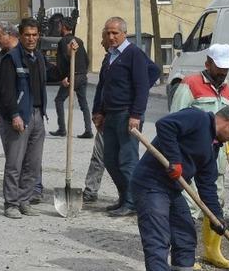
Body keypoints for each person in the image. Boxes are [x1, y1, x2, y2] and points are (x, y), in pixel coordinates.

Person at [131, 105, 229, 271]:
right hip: (151, 183)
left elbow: (207, 185)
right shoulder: (198, 118)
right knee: (158, 239)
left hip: (172, 189)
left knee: (185, 234)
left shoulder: (213, 147)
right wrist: (174, 160)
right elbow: (165, 125)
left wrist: (216, 217)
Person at [169, 43, 229, 269]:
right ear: (208, 63)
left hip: (215, 159)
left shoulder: (226, 89)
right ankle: (181, 253)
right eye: (219, 67)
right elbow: (174, 120)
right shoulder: (190, 84)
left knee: (216, 202)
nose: (223, 72)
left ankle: (212, 251)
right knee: (188, 205)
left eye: (226, 68)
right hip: (190, 157)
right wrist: (176, 156)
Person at [92, 16, 153, 217]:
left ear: (124, 34)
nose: (111, 36)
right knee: (110, 160)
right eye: (108, 33)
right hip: (110, 115)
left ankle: (132, 202)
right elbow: (103, 86)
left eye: (115, 33)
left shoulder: (134, 54)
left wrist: (136, 114)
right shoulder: (110, 56)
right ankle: (123, 196)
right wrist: (98, 111)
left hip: (127, 115)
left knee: (127, 161)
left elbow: (143, 85)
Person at [0, 18, 49, 219]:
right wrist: (14, 115)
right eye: (28, 35)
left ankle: (24, 201)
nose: (32, 38)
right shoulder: (12, 58)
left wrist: (70, 58)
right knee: (15, 163)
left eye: (35, 35)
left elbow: (48, 75)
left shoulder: (38, 57)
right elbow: (7, 91)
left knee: (33, 163)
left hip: (37, 115)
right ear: (21, 35)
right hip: (20, 116)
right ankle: (11, 204)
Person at [50, 17, 94, 139]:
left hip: (71, 76)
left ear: (64, 27)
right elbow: (86, 59)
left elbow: (64, 61)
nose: (58, 28)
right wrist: (83, 73)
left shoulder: (63, 41)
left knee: (59, 100)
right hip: (82, 76)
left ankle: (62, 129)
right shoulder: (79, 40)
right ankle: (88, 130)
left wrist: (65, 77)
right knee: (83, 103)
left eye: (59, 26)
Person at [81, 30, 110, 203]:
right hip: (105, 116)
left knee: (123, 160)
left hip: (123, 117)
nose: (102, 43)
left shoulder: (131, 56)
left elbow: (151, 72)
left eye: (103, 39)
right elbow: (101, 89)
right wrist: (96, 112)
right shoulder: (108, 59)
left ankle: (129, 196)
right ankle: (91, 190)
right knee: (99, 155)